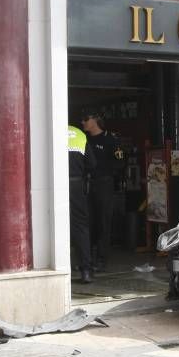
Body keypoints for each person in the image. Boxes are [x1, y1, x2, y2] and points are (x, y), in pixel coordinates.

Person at [81, 112, 124, 271]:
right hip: (86, 184)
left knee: (103, 222)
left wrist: (101, 170)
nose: (83, 122)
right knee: (87, 222)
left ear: (95, 120)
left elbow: (120, 163)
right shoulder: (83, 139)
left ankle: (101, 259)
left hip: (104, 184)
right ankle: (87, 259)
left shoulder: (110, 139)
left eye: (86, 118)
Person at [68, 126, 96, 284]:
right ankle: (86, 271)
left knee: (54, 228)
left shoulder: (49, 129)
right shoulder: (79, 134)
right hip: (76, 185)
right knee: (80, 227)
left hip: (52, 187)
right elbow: (92, 163)